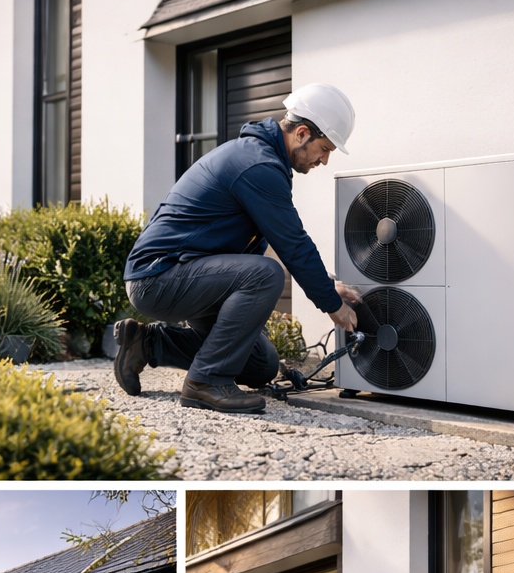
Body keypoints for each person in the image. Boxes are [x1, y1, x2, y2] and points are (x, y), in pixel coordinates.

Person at [114, 83, 363, 414]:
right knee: (265, 275)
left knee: (261, 365)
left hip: (190, 274)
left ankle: (149, 343)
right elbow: (293, 243)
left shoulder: (261, 160)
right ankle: (205, 382)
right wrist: (332, 304)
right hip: (158, 276)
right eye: (325, 148)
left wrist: (327, 282)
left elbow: (283, 238)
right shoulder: (256, 164)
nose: (325, 160)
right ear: (302, 133)